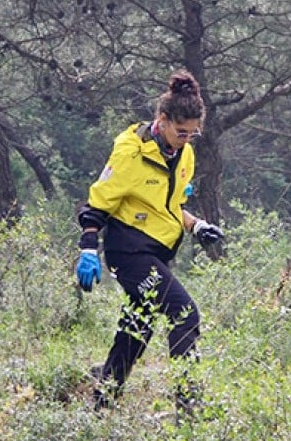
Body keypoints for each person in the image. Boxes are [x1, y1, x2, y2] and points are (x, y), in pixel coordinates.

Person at [75, 70, 225, 411]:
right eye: (181, 131)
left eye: (193, 133)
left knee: (137, 326)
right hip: (127, 251)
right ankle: (189, 407)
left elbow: (170, 206)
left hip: (157, 250)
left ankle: (102, 401)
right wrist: (87, 249)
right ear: (163, 120)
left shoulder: (184, 153)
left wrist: (197, 225)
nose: (186, 138)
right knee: (184, 313)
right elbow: (98, 203)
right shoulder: (130, 153)